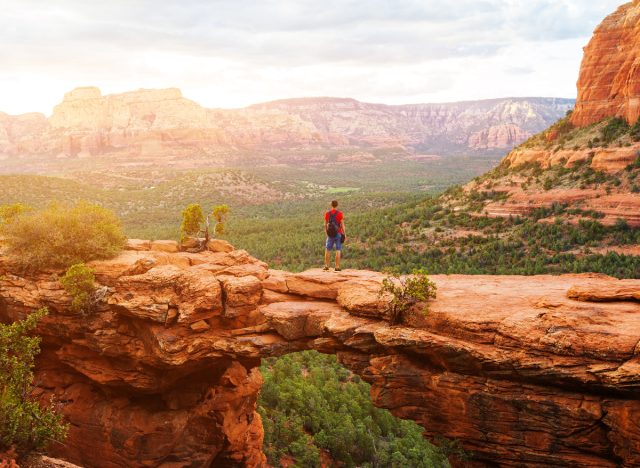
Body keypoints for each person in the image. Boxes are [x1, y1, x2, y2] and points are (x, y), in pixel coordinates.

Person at [323, 200, 346, 271]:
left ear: (331, 205)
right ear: (337, 205)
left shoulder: (327, 213)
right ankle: (337, 267)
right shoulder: (340, 214)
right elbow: (342, 225)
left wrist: (327, 233)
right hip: (338, 233)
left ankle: (326, 266)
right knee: (338, 249)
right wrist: (344, 234)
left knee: (328, 249)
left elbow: (325, 224)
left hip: (330, 234)